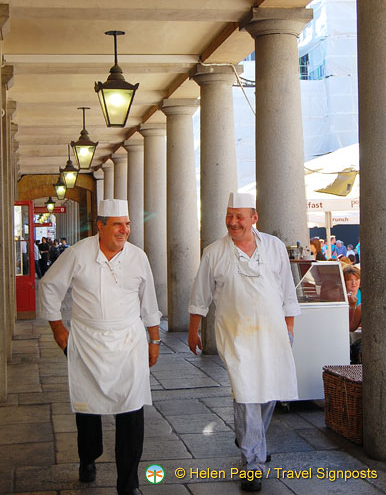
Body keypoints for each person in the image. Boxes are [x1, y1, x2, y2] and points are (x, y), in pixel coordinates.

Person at [39, 199, 161, 495]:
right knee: (88, 409)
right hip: (88, 341)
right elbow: (49, 287)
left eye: (128, 224)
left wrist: (154, 339)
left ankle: (128, 482)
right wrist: (58, 329)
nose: (124, 230)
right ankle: (88, 457)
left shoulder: (138, 257)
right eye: (117, 224)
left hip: (129, 342)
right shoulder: (77, 254)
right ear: (100, 225)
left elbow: (149, 301)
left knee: (131, 411)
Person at [188, 192, 300, 493]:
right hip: (235, 334)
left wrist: (289, 327)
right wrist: (193, 329)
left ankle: (253, 440)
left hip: (273, 332)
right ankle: (252, 463)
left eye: (240, 216)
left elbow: (287, 289)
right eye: (229, 215)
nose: (233, 222)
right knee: (246, 391)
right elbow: (201, 295)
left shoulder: (274, 247)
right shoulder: (214, 252)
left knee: (270, 390)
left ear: (254, 218)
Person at [343, 266, 362, 363]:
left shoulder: (364, 294)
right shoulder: (341, 296)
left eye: (356, 279)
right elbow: (350, 326)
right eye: (350, 280)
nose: (354, 283)